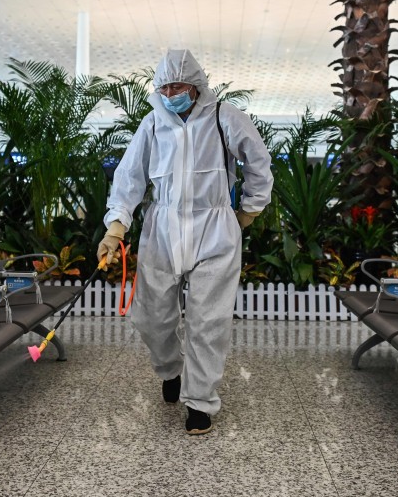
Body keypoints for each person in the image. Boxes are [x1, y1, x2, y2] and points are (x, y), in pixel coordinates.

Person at [97, 48, 273, 435]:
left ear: (196, 86)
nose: (170, 92)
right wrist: (116, 227)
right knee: (150, 317)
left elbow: (258, 162)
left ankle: (200, 403)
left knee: (208, 321)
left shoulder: (225, 117)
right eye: (164, 86)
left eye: (178, 85)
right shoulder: (152, 124)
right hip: (162, 228)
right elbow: (129, 177)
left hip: (215, 228)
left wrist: (249, 210)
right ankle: (170, 369)